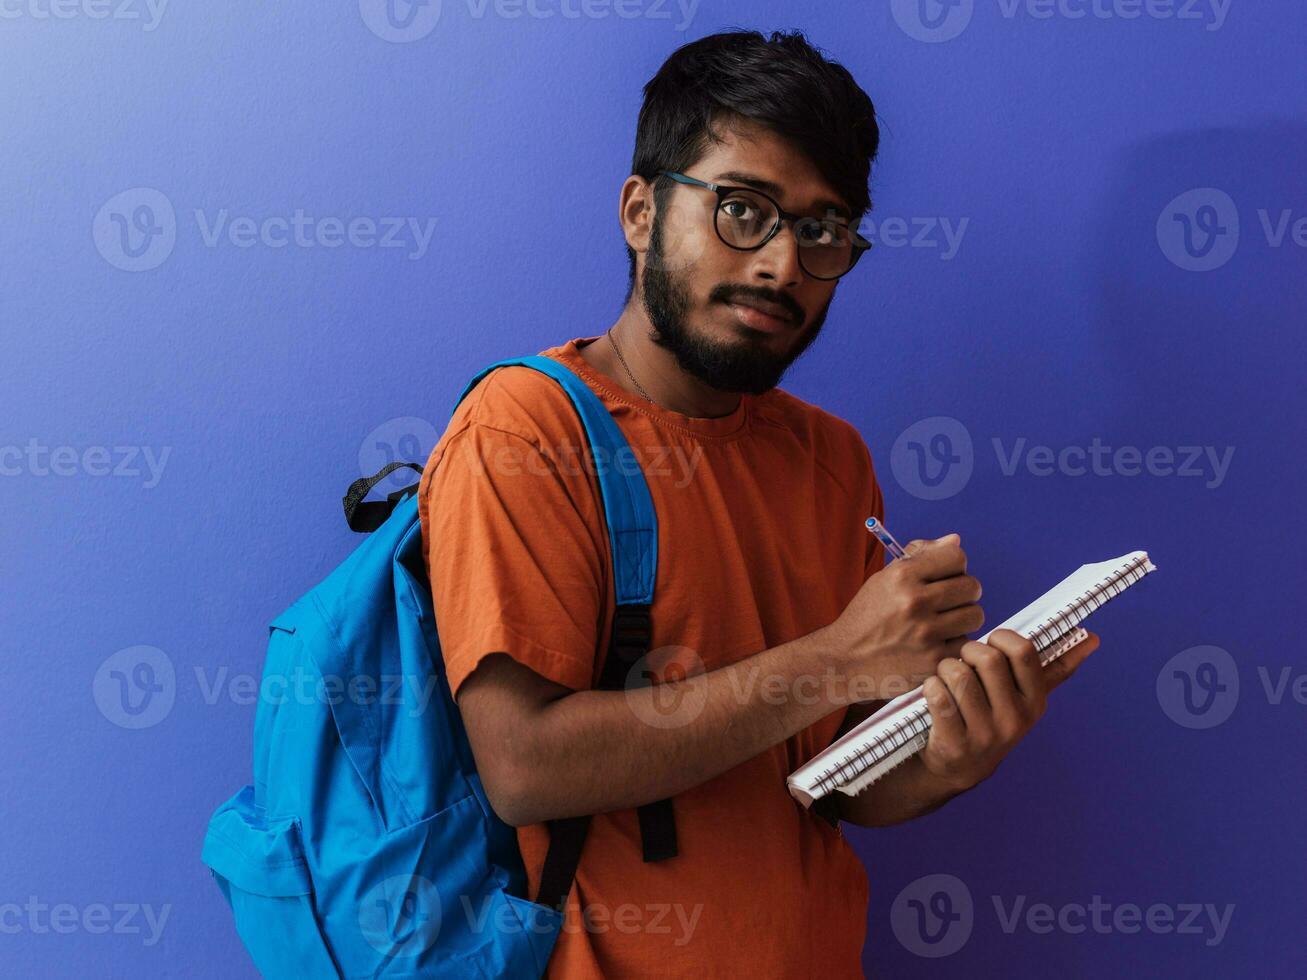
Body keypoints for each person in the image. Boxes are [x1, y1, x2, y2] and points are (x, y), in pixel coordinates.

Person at [418, 28, 1099, 979]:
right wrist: (835, 660)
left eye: (822, 229)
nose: (784, 265)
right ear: (640, 212)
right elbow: (525, 768)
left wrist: (948, 753)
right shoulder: (525, 432)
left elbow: (830, 786)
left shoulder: (830, 457)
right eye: (743, 209)